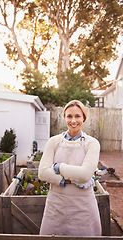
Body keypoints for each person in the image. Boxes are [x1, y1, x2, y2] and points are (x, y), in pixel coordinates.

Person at [38, 100, 102, 236]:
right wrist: (68, 180)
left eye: (77, 116)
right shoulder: (54, 141)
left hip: (83, 207)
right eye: (69, 116)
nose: (73, 120)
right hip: (56, 206)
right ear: (64, 117)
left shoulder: (92, 143)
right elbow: (43, 172)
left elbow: (85, 174)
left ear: (84, 118)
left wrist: (59, 167)